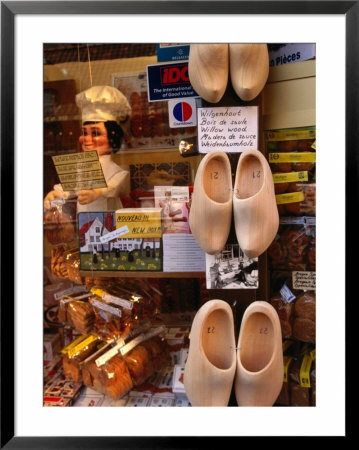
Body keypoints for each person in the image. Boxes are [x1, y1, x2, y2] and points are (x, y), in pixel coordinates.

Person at [44, 85, 131, 212]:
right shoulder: (82, 167)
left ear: (112, 138)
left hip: (110, 224)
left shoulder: (117, 170)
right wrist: (56, 196)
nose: (86, 139)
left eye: (95, 133)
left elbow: (117, 187)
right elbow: (69, 191)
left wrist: (98, 192)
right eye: (84, 133)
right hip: (84, 223)